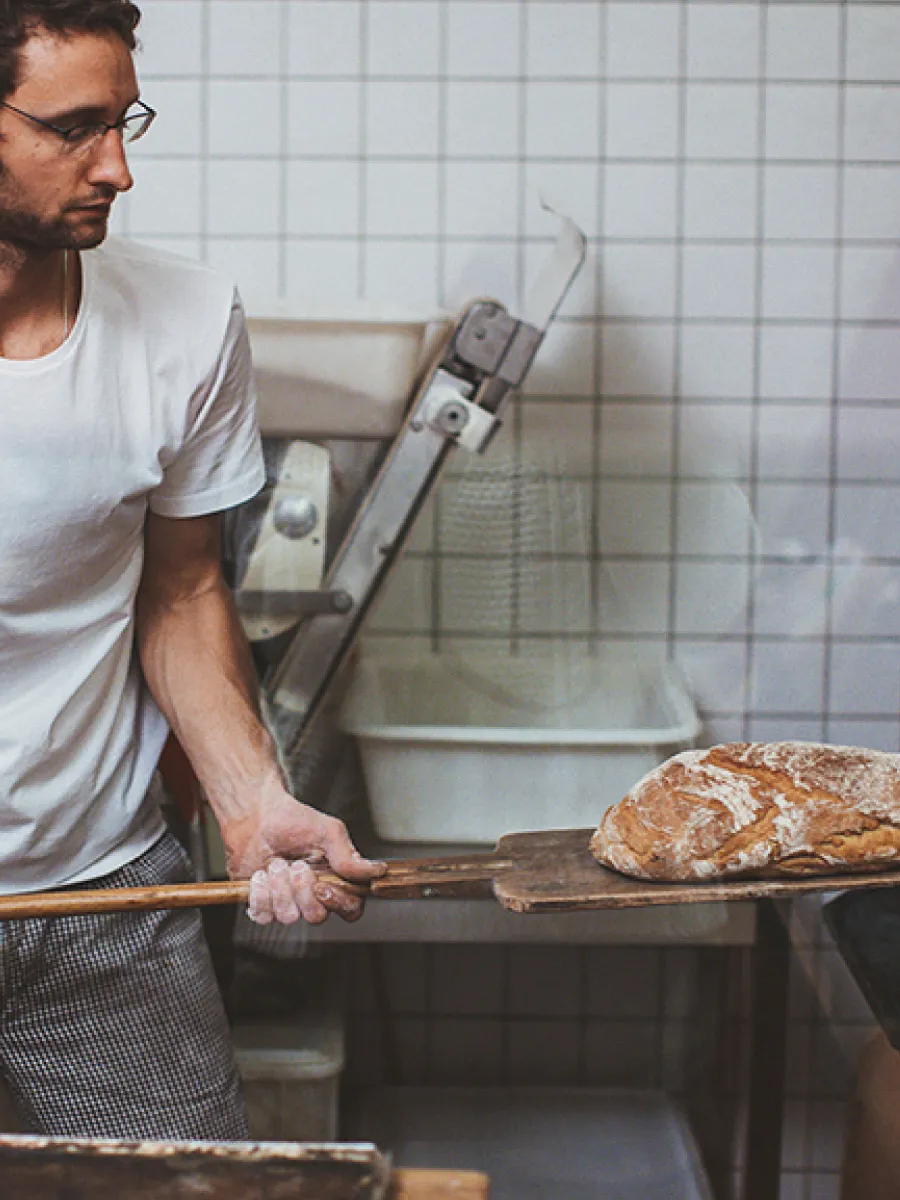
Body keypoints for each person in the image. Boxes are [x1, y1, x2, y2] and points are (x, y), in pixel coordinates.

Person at [0, 0, 384, 1140]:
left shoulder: (187, 320)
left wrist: (251, 801)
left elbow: (180, 592)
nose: (116, 168)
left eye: (124, 123)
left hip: (106, 890)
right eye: (72, 127)